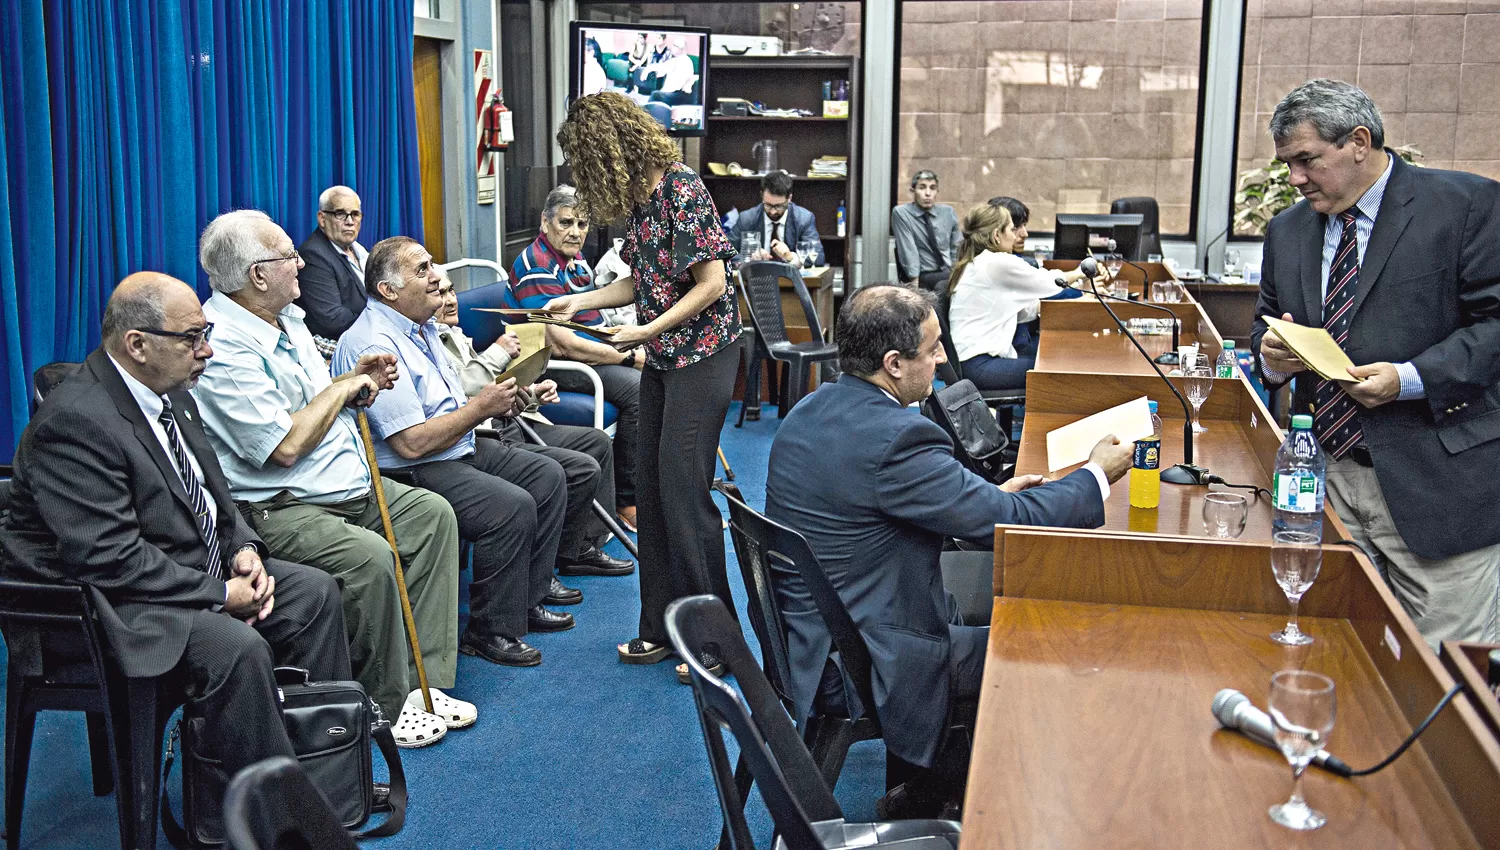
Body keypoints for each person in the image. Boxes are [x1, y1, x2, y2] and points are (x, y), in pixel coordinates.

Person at [765, 284, 1131, 810]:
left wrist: (978, 498)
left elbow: (870, 509)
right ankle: (990, 804)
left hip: (810, 640)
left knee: (984, 596)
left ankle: (926, 787)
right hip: (864, 658)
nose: (943, 358)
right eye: (934, 347)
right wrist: (1098, 473)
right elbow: (1013, 521)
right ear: (893, 363)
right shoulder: (897, 437)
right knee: (1040, 637)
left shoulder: (812, 408)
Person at [0, 272, 352, 783]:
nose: (206, 350)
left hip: (175, 573)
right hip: (104, 609)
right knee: (236, 649)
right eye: (192, 338)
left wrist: (243, 550)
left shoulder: (173, 393)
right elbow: (108, 558)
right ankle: (265, 823)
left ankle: (324, 789)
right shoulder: (73, 422)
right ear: (137, 344)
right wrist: (218, 594)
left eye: (205, 333)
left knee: (313, 594)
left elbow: (215, 496)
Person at [191, 210, 469, 747]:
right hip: (281, 505)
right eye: (290, 256)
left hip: (347, 484)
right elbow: (283, 445)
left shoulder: (289, 319)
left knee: (433, 516)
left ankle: (424, 687)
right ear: (257, 275)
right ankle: (384, 709)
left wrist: (353, 377)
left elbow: (320, 397)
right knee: (369, 558)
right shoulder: (223, 343)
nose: (302, 264)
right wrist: (344, 389)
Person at [1250, 79, 1500, 645]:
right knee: (1340, 654)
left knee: (1441, 678)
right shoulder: (1288, 230)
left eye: (1306, 160)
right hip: (1324, 482)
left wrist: (1410, 379)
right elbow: (1265, 324)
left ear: (1358, 141)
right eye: (1287, 164)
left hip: (1438, 483)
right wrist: (1273, 360)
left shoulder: (1466, 206)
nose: (1295, 179)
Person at [552, 92, 741, 680]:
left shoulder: (683, 190)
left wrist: (644, 332)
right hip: (665, 356)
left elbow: (710, 284)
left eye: (585, 161)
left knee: (686, 496)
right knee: (656, 496)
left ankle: (719, 641)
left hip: (704, 356)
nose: (583, 176)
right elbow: (641, 280)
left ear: (609, 150)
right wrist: (582, 300)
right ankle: (661, 628)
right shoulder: (642, 198)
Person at [332, 237, 579, 668]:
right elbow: (411, 443)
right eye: (422, 269)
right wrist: (481, 408)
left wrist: (503, 400)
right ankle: (489, 630)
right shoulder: (373, 343)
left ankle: (525, 600)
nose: (436, 276)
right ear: (389, 291)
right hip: (410, 468)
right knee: (511, 507)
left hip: (454, 446)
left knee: (548, 477)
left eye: (432, 263)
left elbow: (452, 403)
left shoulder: (424, 325)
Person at [432, 265, 634, 578]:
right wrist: (498, 352)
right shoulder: (430, 343)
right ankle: (542, 570)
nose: (450, 299)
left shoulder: (455, 334)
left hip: (514, 418)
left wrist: (534, 394)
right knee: (565, 470)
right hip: (489, 434)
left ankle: (580, 548)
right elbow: (465, 391)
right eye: (440, 293)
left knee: (595, 443)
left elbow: (492, 389)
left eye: (451, 290)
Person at [508, 184, 640, 531]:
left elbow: (594, 321)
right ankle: (628, 501)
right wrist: (626, 358)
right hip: (555, 363)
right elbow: (564, 344)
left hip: (591, 355)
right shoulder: (537, 265)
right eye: (566, 222)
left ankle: (647, 488)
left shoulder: (575, 260)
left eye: (582, 224)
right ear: (545, 222)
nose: (576, 232)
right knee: (642, 389)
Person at [947, 204, 1096, 392]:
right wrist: (1079, 272)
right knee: (1060, 369)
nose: (1016, 235)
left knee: (1057, 359)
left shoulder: (980, 262)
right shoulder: (995, 262)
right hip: (980, 366)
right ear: (996, 235)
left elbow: (1023, 312)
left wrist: (1077, 302)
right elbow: (1048, 281)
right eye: (1011, 229)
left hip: (972, 363)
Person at [296, 185, 370, 353]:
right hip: (340, 347)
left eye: (355, 214)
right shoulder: (313, 256)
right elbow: (333, 320)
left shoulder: (360, 250)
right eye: (340, 214)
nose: (350, 221)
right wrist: (384, 322)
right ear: (322, 219)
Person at [731, 169, 826, 266]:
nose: (773, 211)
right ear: (762, 196)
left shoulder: (803, 218)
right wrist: (747, 257)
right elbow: (724, 253)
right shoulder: (747, 219)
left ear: (789, 198)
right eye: (768, 205)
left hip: (790, 279)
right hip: (756, 279)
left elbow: (818, 259)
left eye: (778, 206)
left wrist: (790, 257)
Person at [892, 170, 961, 291]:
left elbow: (957, 245)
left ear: (937, 192)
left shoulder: (948, 212)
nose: (928, 193)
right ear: (913, 191)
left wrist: (957, 272)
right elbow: (908, 250)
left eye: (932, 188)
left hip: (948, 271)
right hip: (923, 275)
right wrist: (914, 287)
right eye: (922, 188)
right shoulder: (902, 213)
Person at [643, 36, 697, 107]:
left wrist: (663, 92)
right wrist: (647, 70)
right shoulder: (675, 60)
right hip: (675, 93)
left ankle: (645, 114)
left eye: (675, 46)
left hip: (681, 95)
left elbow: (677, 86)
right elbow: (661, 67)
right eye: (673, 45)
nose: (672, 47)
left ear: (681, 49)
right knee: (656, 94)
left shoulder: (685, 62)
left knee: (656, 95)